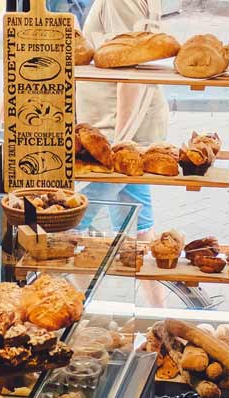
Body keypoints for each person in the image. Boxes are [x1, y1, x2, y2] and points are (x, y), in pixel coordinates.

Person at [75, 0, 168, 237]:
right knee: (135, 218)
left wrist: (121, 140)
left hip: (116, 127)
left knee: (76, 215)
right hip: (127, 123)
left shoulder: (120, 2)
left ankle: (63, 246)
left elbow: (129, 71)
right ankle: (141, 264)